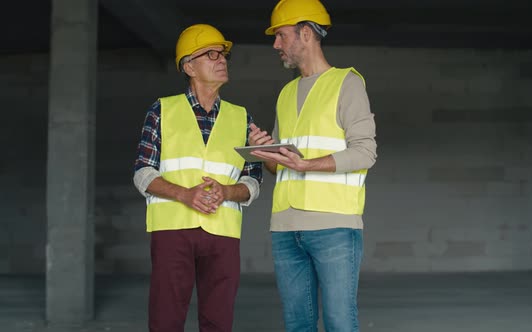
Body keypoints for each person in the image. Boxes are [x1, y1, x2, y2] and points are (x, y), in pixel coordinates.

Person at [248, 0, 377, 331]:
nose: (276, 44)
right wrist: (267, 154)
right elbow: (283, 166)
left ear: (305, 33)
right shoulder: (286, 92)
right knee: (297, 324)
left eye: (281, 36)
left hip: (334, 226)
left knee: (339, 322)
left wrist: (307, 165)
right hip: (285, 228)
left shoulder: (347, 83)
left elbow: (365, 152)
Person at [132, 23, 262, 332]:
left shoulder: (242, 116)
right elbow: (143, 172)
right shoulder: (162, 110)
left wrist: (227, 193)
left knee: (219, 321)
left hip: (223, 232)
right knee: (166, 319)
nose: (222, 60)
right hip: (172, 229)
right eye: (212, 54)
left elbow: (253, 180)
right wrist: (185, 195)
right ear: (189, 66)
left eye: (224, 55)